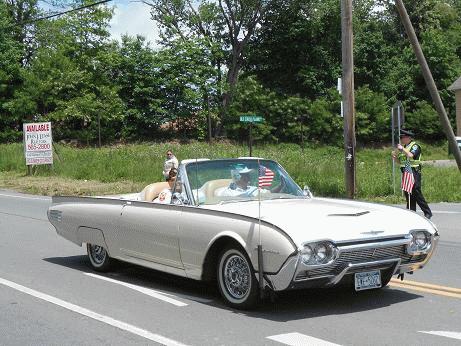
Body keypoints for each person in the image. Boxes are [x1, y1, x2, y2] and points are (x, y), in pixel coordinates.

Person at [392, 129, 432, 219]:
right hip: (406, 172)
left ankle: (427, 212)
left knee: (416, 191)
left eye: (402, 137)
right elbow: (400, 161)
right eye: (400, 137)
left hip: (414, 171)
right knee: (408, 192)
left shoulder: (415, 146)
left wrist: (402, 149)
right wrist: (394, 158)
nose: (401, 139)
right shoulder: (404, 147)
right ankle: (411, 212)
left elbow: (411, 155)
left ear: (408, 138)